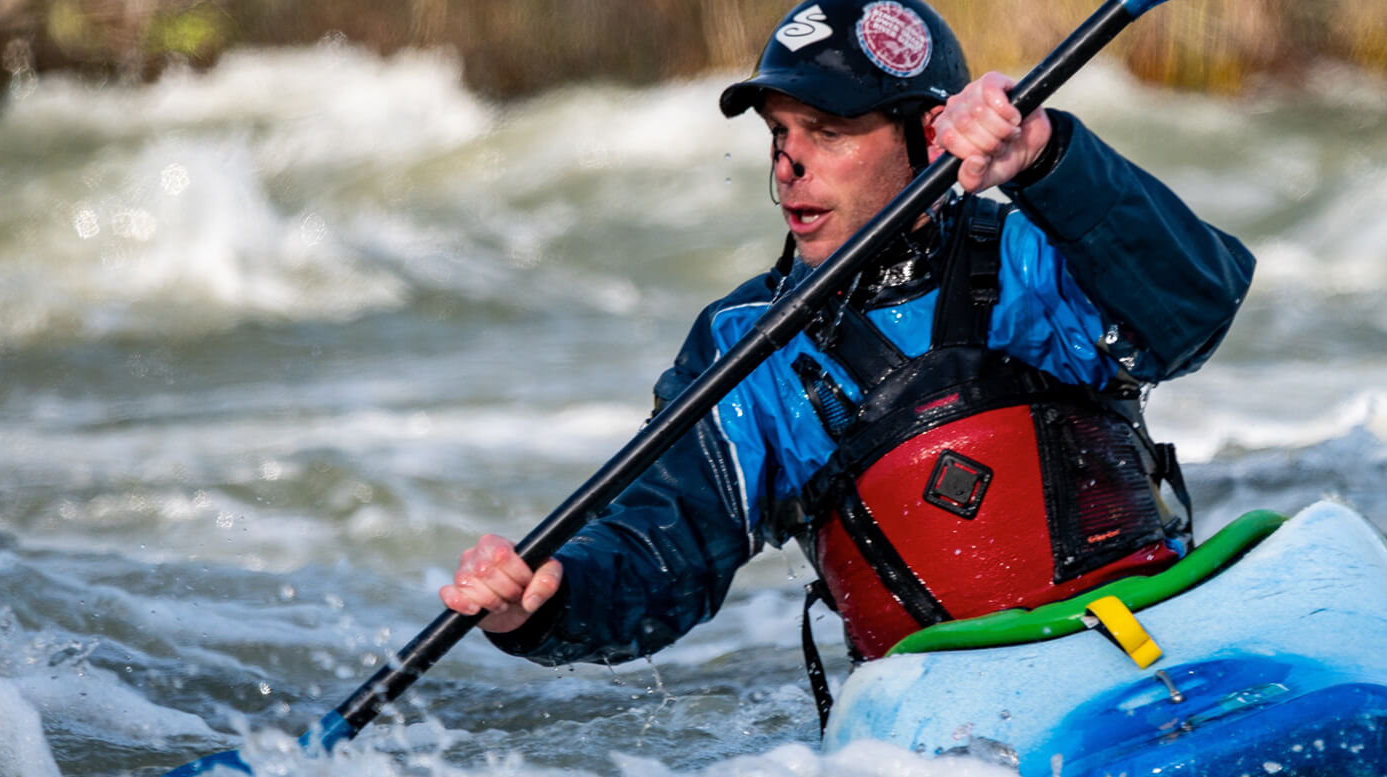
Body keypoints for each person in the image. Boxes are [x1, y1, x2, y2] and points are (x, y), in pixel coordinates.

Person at [439, 0, 1253, 669]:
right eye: (779, 134)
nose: (790, 164)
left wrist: (1047, 153)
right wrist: (547, 600)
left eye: (827, 132)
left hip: (1144, 636)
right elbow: (667, 547)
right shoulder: (747, 348)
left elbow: (1195, 311)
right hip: (943, 713)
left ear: (928, 136)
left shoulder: (1038, 248)